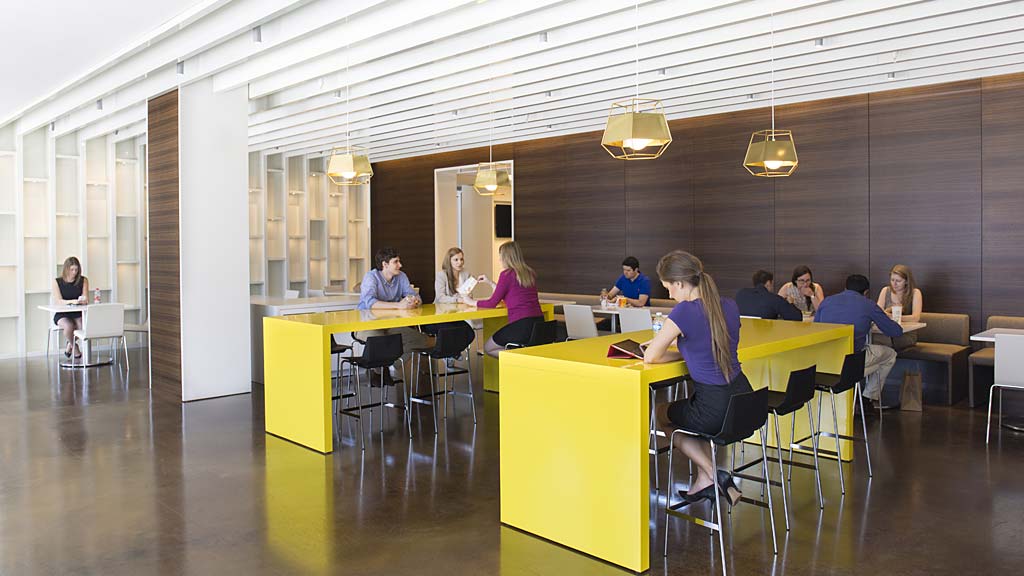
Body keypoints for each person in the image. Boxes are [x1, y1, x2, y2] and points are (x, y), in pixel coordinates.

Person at [646, 251, 749, 507]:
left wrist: (664, 351)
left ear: (680, 283)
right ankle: (704, 480)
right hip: (744, 401)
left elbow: (650, 356)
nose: (669, 294)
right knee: (692, 415)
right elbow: (707, 347)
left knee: (662, 413)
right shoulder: (729, 305)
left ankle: (715, 473)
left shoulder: (684, 311)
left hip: (714, 408)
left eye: (669, 287)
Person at [815, 274, 904, 407]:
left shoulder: (827, 301)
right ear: (866, 292)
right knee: (890, 355)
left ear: (845, 287)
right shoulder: (868, 305)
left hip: (825, 363)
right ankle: (868, 399)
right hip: (851, 364)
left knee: (868, 356)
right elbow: (895, 331)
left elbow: (816, 328)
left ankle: (861, 400)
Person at [463, 241, 543, 358]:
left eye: (500, 256)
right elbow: (510, 294)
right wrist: (490, 282)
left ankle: (519, 359)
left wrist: (471, 302)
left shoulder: (506, 274)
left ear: (506, 257)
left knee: (489, 348)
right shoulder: (529, 273)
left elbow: (492, 303)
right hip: (538, 324)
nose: (500, 260)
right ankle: (522, 358)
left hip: (521, 326)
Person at [356, 247, 431, 353]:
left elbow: (415, 296)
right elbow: (370, 303)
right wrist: (399, 305)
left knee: (419, 340)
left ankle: (394, 365)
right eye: (396, 262)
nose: (400, 265)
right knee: (380, 340)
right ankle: (377, 368)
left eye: (399, 261)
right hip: (368, 324)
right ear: (385, 264)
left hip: (391, 324)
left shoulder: (401, 276)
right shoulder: (371, 277)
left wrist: (414, 301)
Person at [426, 247, 477, 345]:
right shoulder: (441, 275)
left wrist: (469, 296)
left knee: (469, 333)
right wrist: (458, 300)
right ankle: (451, 353)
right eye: (456, 260)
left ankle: (454, 352)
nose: (460, 263)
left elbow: (468, 294)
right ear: (449, 261)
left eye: (461, 259)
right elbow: (440, 297)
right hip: (442, 314)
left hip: (460, 312)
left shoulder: (466, 274)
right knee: (451, 330)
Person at [875, 264, 923, 349]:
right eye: (892, 280)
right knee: (874, 338)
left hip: (906, 333)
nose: (894, 284)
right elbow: (878, 312)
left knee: (883, 340)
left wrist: (894, 317)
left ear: (907, 281)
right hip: (886, 330)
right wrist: (887, 313)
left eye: (898, 281)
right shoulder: (885, 290)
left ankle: (886, 359)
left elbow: (916, 318)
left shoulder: (915, 293)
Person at [52, 256, 89, 359]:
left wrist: (82, 300)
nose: (74, 272)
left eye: (76, 269)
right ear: (66, 269)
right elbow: (58, 301)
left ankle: (69, 344)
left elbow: (86, 299)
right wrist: (72, 301)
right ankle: (75, 347)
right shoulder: (57, 282)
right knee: (69, 326)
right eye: (71, 269)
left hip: (77, 312)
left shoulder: (83, 280)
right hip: (62, 313)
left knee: (83, 327)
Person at [735, 270, 801, 321]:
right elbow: (797, 317)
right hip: (766, 336)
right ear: (768, 283)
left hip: (743, 335)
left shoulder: (741, 293)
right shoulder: (774, 299)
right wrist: (791, 302)